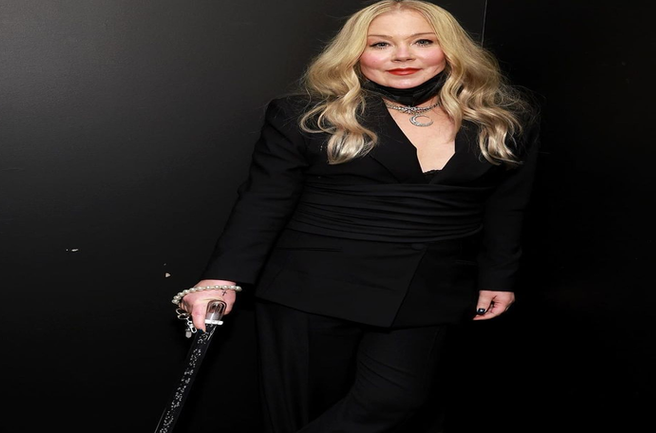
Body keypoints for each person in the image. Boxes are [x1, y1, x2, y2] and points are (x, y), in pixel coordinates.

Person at [172, 0, 540, 431]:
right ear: (355, 53)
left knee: (395, 400)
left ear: (451, 48)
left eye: (423, 41)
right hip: (312, 286)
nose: (402, 56)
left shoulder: (504, 119)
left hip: (431, 288)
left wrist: (497, 276)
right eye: (380, 44)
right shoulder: (306, 115)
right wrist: (220, 280)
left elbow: (508, 203)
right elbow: (263, 201)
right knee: (302, 412)